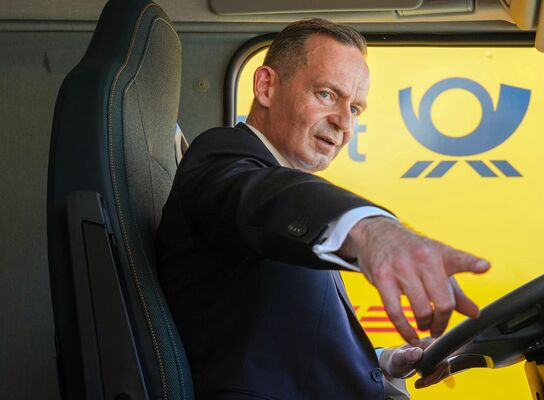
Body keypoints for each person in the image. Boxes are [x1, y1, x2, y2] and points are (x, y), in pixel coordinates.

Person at [156, 18, 490, 400]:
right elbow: (269, 197)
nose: (344, 123)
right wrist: (371, 229)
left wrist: (384, 363)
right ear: (266, 86)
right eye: (327, 95)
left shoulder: (290, 199)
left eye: (356, 108)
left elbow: (280, 351)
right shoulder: (222, 157)